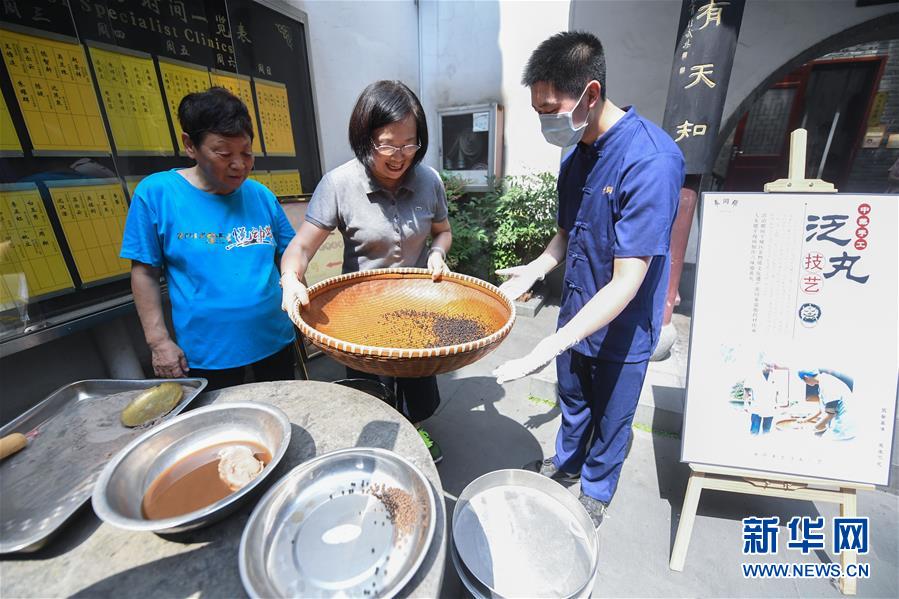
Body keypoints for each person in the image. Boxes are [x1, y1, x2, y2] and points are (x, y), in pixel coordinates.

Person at [492, 32, 685, 528]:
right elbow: (566, 233)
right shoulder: (575, 151)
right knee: (573, 400)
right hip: (577, 311)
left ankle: (597, 489)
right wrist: (535, 269)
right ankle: (567, 462)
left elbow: (627, 281)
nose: (544, 120)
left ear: (591, 94)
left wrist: (547, 344)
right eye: (537, 109)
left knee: (612, 417)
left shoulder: (651, 160)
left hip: (622, 327)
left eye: (549, 108)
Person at [279, 80, 452, 463]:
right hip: (361, 314)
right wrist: (291, 278)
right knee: (370, 390)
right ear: (364, 138)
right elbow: (301, 247)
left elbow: (443, 232)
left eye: (410, 144)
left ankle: (414, 431)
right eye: (388, 144)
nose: (400, 156)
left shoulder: (429, 181)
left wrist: (437, 254)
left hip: (417, 309)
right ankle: (379, 446)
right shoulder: (339, 184)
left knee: (417, 382)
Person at [121, 87, 297, 392]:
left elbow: (291, 253)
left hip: (274, 338)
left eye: (246, 152)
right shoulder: (157, 194)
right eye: (224, 153)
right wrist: (158, 341)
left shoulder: (260, 195)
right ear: (191, 146)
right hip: (208, 354)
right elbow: (145, 273)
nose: (239, 165)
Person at [798, 369, 854, 440]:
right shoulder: (824, 381)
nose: (805, 383)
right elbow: (821, 410)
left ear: (806, 377)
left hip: (844, 427)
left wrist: (813, 428)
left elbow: (830, 414)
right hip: (842, 424)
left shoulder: (828, 384)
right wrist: (805, 420)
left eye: (803, 381)